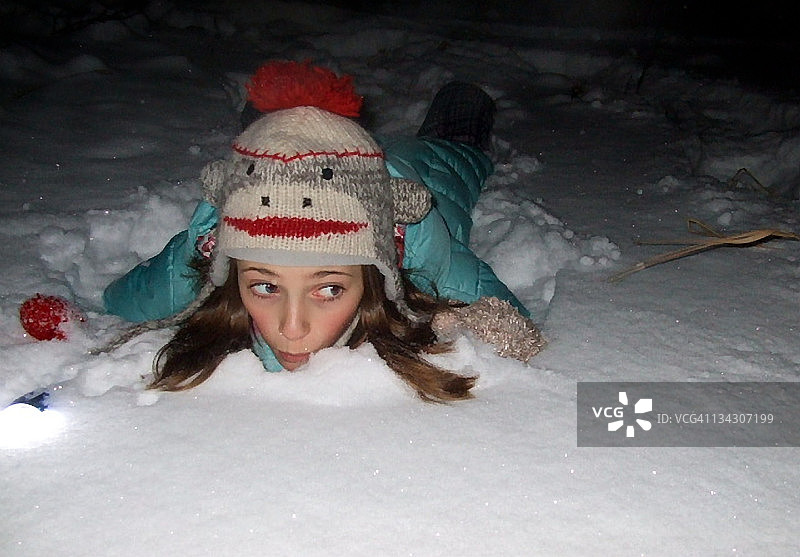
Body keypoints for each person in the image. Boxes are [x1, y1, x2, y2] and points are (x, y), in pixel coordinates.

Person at [101, 60, 544, 401]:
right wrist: (186, 267)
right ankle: (293, 126)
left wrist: (463, 322)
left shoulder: (415, 236)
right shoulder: (216, 233)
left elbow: (502, 313)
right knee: (278, 120)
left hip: (424, 164)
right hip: (318, 177)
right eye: (264, 286)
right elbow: (129, 297)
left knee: (458, 134)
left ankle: (461, 100)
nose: (292, 329)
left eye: (329, 290)